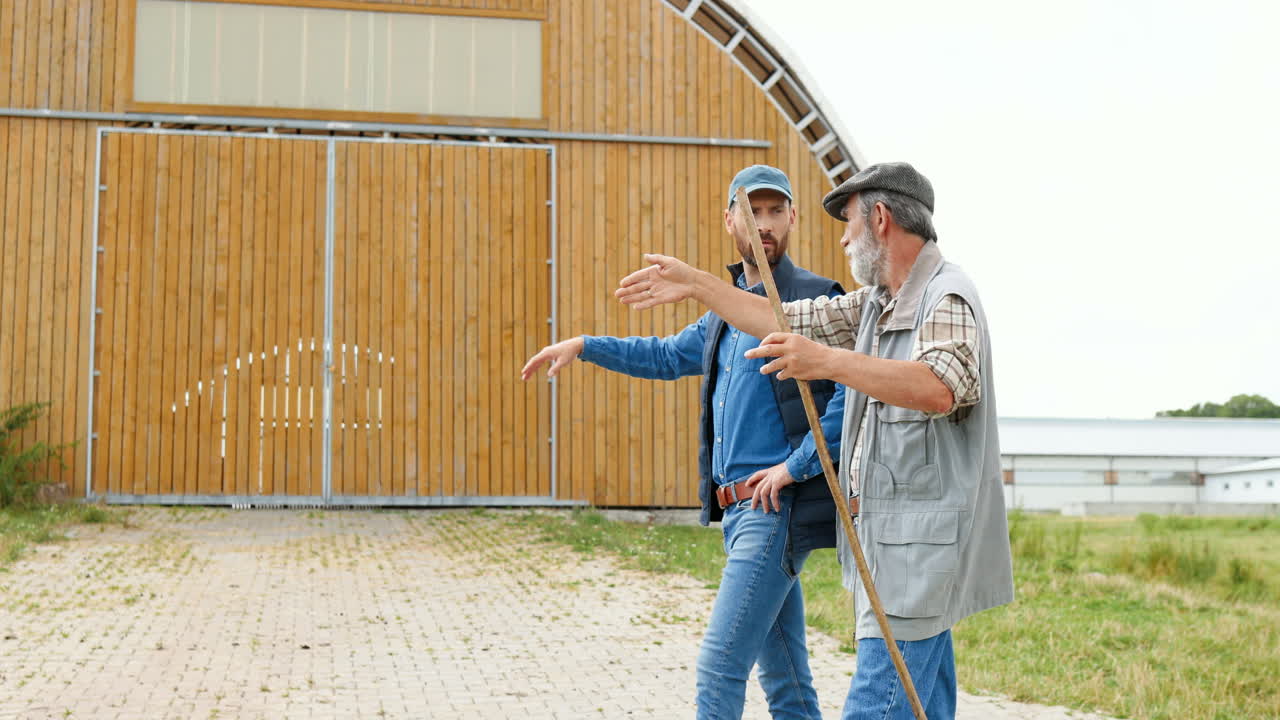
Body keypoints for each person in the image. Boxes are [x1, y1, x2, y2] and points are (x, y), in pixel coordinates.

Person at [615, 162, 1015, 720]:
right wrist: (699, 284)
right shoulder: (876, 303)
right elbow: (782, 317)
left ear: (879, 219)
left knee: (873, 708)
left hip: (918, 558)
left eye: (849, 221)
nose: (844, 236)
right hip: (890, 551)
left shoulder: (946, 296)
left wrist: (826, 363)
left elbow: (939, 387)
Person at [522, 165, 846, 720]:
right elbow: (666, 356)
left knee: (718, 668)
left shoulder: (817, 300)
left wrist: (794, 468)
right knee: (788, 680)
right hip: (738, 514)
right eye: (750, 212)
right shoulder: (723, 312)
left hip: (774, 510)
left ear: (793, 217)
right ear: (729, 221)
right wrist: (584, 344)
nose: (763, 224)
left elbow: (848, 399)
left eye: (774, 211)